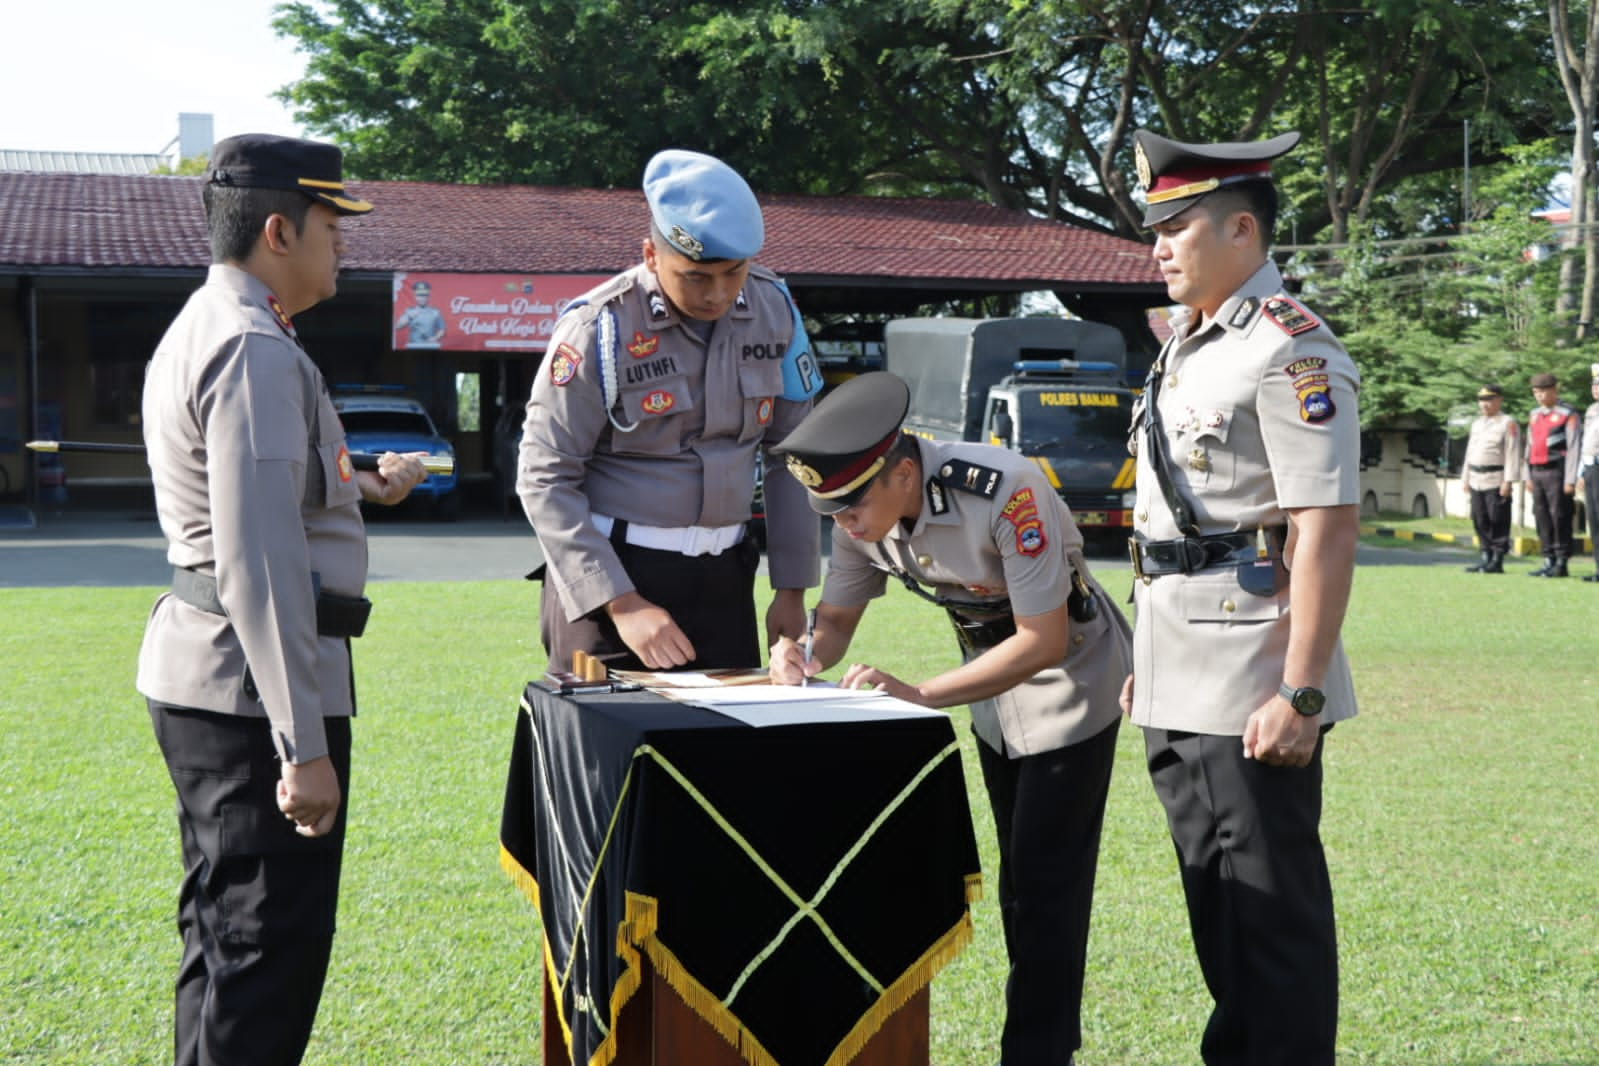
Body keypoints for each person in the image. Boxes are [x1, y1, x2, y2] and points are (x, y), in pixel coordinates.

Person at [138, 133, 427, 1065]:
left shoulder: (215, 323)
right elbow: (258, 562)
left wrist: (360, 485)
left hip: (216, 673)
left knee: (223, 941)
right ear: (277, 229)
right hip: (252, 689)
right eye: (331, 223)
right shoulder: (253, 348)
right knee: (265, 955)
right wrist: (301, 746)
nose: (343, 241)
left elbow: (269, 501)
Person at [768, 372, 1131, 1066]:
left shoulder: (1001, 488)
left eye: (850, 509)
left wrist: (920, 693)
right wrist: (803, 655)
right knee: (1018, 884)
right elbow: (838, 618)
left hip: (1070, 679)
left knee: (1045, 882)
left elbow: (1043, 641)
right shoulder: (860, 512)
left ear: (903, 473)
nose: (843, 526)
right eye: (830, 514)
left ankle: (1037, 1052)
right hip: (990, 689)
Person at [1120, 128, 1361, 1066]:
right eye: (1157, 229)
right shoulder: (1187, 344)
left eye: (1177, 227)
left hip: (1254, 669)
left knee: (1274, 916)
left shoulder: (1290, 349)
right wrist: (1146, 661)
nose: (1159, 247)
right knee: (1218, 906)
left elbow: (1324, 528)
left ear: (1242, 233)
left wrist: (1299, 693)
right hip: (1178, 662)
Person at [518, 148, 821, 673]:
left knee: (719, 750)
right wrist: (622, 603)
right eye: (696, 277)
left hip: (725, 578)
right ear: (652, 256)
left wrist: (791, 589)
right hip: (617, 579)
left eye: (734, 273)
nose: (719, 294)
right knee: (613, 750)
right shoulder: (600, 328)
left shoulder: (776, 311)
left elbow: (794, 456)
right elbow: (544, 475)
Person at [1460, 383, 1524, 573]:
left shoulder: (1507, 423)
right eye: (1482, 400)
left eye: (1489, 399)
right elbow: (1470, 452)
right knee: (1479, 519)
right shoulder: (1477, 424)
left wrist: (1508, 481)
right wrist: (1465, 477)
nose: (1485, 404)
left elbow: (1512, 453)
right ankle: (1485, 556)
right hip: (1476, 478)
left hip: (1496, 478)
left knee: (1498, 520)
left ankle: (1497, 559)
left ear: (1499, 400)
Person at [1523, 371, 1581, 577]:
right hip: (1537, 472)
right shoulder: (1534, 415)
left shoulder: (1567, 414)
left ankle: (1561, 560)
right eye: (1536, 392)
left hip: (1557, 471)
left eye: (1543, 391)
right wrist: (1526, 475)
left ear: (1554, 390)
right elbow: (1528, 446)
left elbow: (1574, 447)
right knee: (1541, 516)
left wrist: (1570, 478)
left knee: (1560, 516)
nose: (1539, 396)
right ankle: (1548, 558)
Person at [1580, 364, 1599, 582]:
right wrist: (1581, 472)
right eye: (1594, 385)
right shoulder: (1592, 410)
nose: (1595, 389)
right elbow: (1586, 443)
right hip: (1591, 467)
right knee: (1594, 520)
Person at [394, 278, 446, 348]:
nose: (422, 298)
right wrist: (409, 317)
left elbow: (442, 330)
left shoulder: (435, 312)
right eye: (419, 295)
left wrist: (435, 338)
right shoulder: (409, 311)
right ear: (415, 297)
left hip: (431, 346)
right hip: (413, 346)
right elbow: (397, 326)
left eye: (424, 295)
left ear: (428, 297)